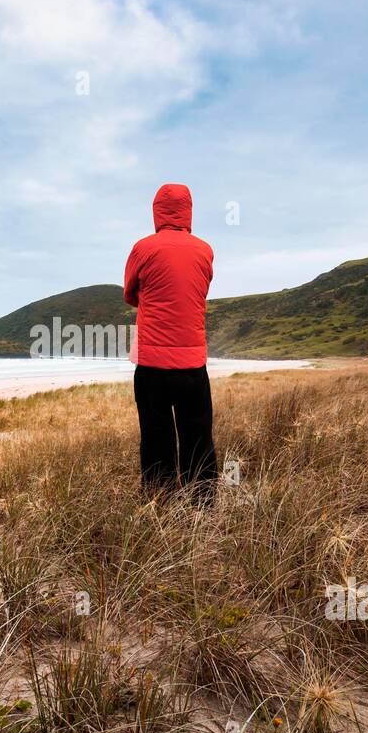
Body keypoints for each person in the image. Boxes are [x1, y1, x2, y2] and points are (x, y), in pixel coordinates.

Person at [123, 183, 218, 501]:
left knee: (155, 434)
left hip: (152, 366)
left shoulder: (142, 248)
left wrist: (151, 298)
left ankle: (159, 498)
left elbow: (129, 293)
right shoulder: (205, 250)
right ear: (189, 211)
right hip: (193, 365)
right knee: (198, 435)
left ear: (156, 211)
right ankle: (202, 502)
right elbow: (200, 290)